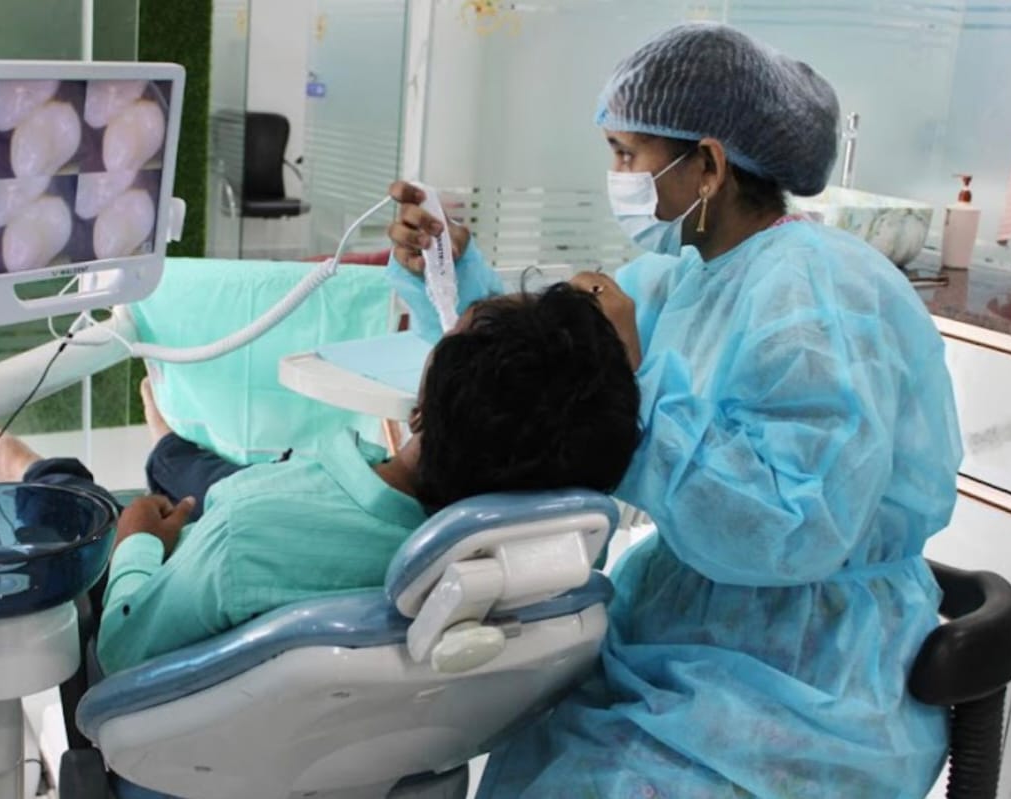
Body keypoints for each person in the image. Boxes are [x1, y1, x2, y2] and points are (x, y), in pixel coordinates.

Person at [385, 22, 962, 799]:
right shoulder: (683, 277)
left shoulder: (815, 295)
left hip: (811, 674)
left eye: (628, 154)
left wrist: (641, 387)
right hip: (688, 632)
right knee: (534, 755)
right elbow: (550, 376)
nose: (616, 175)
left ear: (709, 166)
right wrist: (452, 270)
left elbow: (794, 527)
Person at [0, 283, 641, 675]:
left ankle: (32, 469)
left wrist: (138, 544)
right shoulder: (548, 568)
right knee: (204, 474)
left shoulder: (247, 534)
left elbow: (121, 646)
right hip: (298, 525)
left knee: (98, 504)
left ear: (418, 410)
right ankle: (167, 442)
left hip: (222, 554)